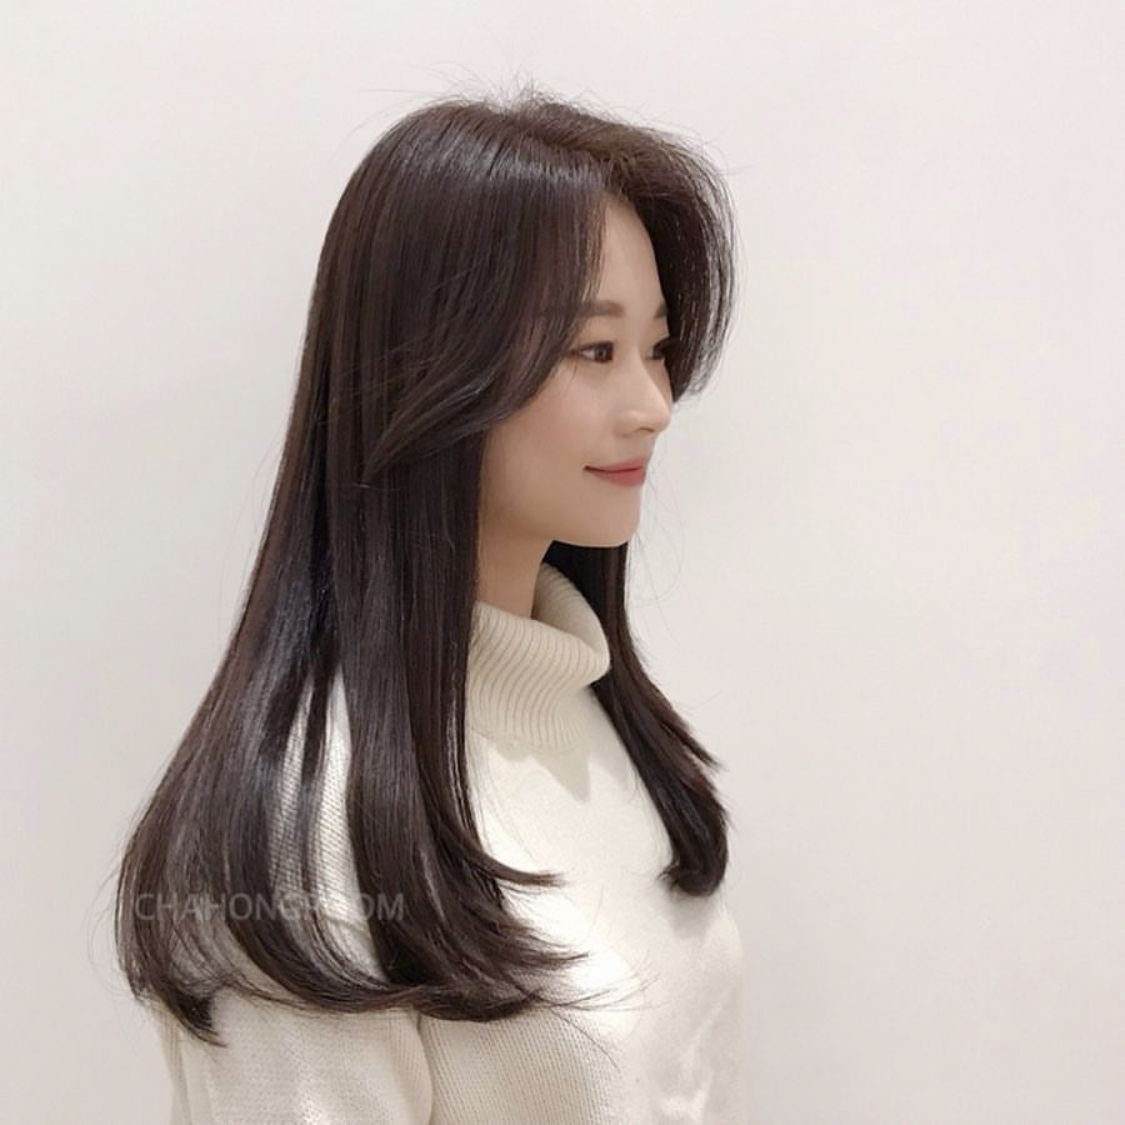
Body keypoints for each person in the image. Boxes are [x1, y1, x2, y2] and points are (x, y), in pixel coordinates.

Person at [115, 79, 746, 1123]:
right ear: (438, 370)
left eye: (657, 348)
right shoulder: (307, 838)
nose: (653, 406)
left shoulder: (587, 713)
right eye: (595, 351)